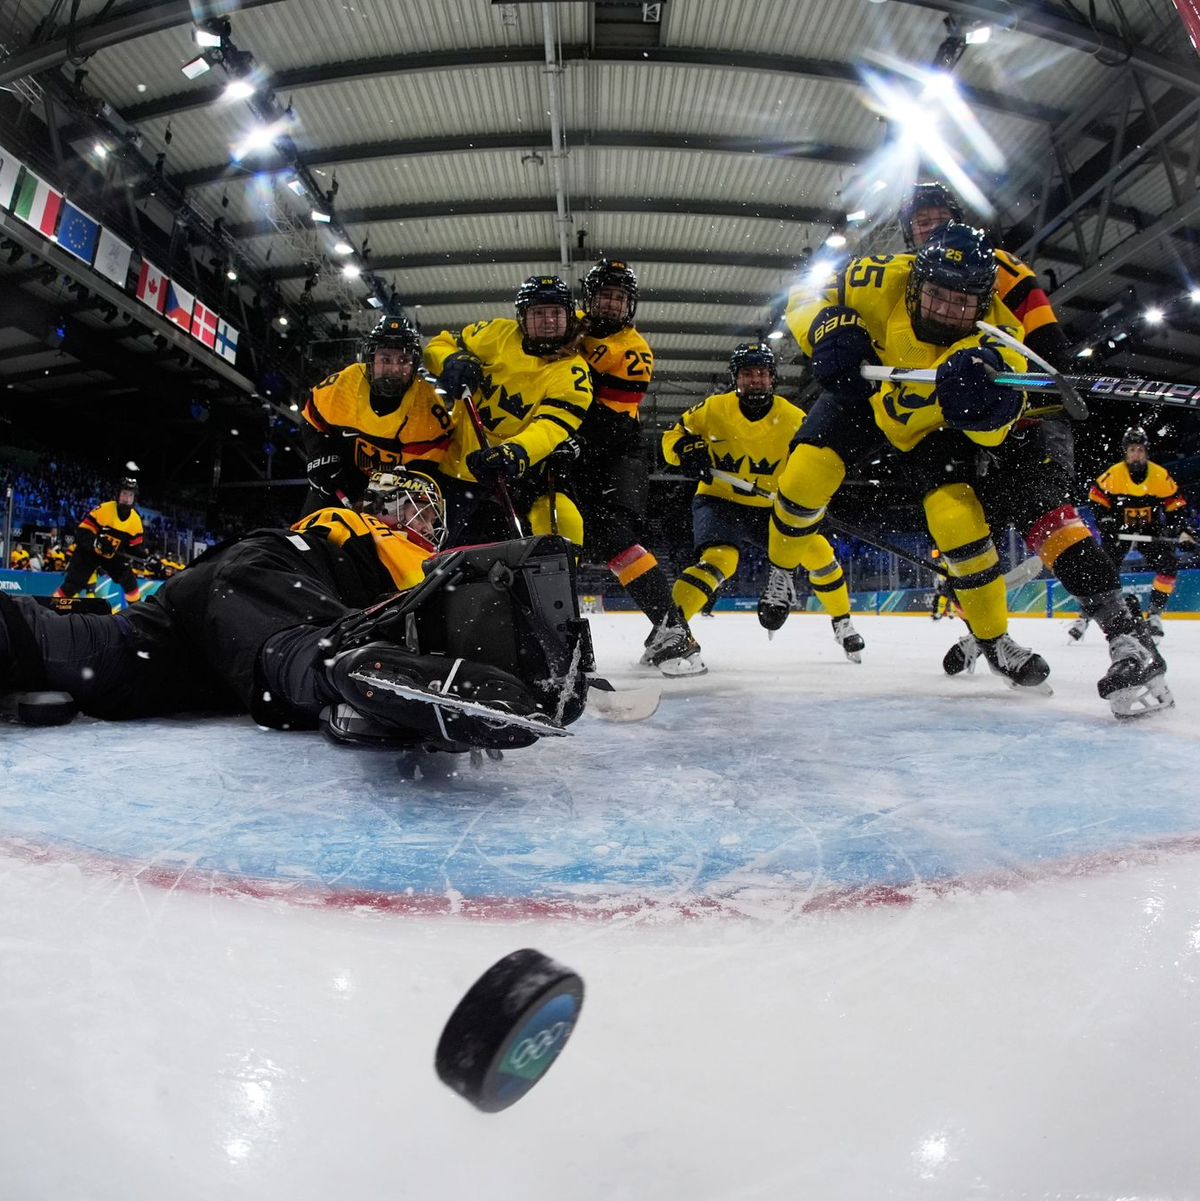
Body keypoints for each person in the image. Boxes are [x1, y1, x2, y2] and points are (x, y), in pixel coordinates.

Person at [774, 222, 1171, 717]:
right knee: (804, 479)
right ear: (917, 277)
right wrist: (828, 325)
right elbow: (804, 291)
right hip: (868, 400)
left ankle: (1051, 638)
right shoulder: (880, 277)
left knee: (991, 514)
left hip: (938, 432)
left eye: (963, 302)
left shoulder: (1003, 337)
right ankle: (782, 563)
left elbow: (1007, 418)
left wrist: (986, 408)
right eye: (937, 294)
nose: (946, 310)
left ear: (984, 300)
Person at [0, 470, 588, 752]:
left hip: (208, 625)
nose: (431, 530)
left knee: (78, 653)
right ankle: (339, 670)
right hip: (268, 588)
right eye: (426, 514)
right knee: (307, 652)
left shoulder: (348, 526)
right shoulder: (389, 541)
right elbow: (435, 606)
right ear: (401, 509)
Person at [535, 258, 704, 676]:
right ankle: (550, 638)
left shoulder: (634, 352)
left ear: (629, 305)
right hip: (566, 441)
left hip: (612, 449)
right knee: (551, 537)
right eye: (604, 295)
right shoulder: (567, 323)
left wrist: (565, 432)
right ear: (588, 298)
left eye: (619, 297)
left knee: (615, 537)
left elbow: (609, 418)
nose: (610, 304)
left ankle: (672, 631)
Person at [662, 341, 862, 659]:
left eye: (761, 373)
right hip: (719, 499)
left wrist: (811, 505)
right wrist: (683, 449)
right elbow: (672, 437)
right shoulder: (712, 409)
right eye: (747, 374)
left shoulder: (795, 418)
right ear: (735, 378)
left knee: (820, 552)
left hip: (772, 507)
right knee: (721, 558)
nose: (755, 380)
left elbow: (814, 465)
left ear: (772, 378)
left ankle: (842, 623)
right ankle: (669, 630)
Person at [900, 179, 1075, 477]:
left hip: (1020, 422)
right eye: (922, 222)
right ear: (909, 232)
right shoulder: (899, 276)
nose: (932, 228)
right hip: (943, 426)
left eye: (941, 219)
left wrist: (1025, 401)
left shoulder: (1001, 267)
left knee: (1046, 510)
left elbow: (1048, 343)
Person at [299, 315, 452, 518]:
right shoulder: (343, 385)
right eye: (386, 359)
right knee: (308, 538)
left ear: (414, 364)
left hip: (393, 493)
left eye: (404, 360)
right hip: (340, 479)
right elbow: (313, 419)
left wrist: (387, 496)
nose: (395, 369)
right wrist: (321, 459)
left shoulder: (427, 407)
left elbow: (422, 471)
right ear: (370, 359)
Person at [1070, 426, 1195, 640]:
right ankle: (1084, 616)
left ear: (1146, 451)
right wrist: (1105, 520)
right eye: (1131, 450)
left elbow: (1175, 506)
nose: (1136, 454)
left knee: (1168, 564)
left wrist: (1183, 530)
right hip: (1118, 531)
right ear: (1125, 452)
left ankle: (1154, 614)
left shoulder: (1159, 475)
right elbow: (1097, 499)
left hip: (1150, 530)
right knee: (1101, 572)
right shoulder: (1114, 474)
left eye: (1139, 449)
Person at [54, 477, 144, 606]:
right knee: (73, 585)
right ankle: (53, 610)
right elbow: (82, 532)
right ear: (118, 494)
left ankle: (137, 614)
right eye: (124, 493)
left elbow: (134, 548)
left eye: (130, 495)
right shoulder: (104, 509)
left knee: (129, 580)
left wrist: (148, 559)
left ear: (134, 498)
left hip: (110, 556)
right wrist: (97, 542)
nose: (126, 498)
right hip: (88, 553)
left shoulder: (136, 521)